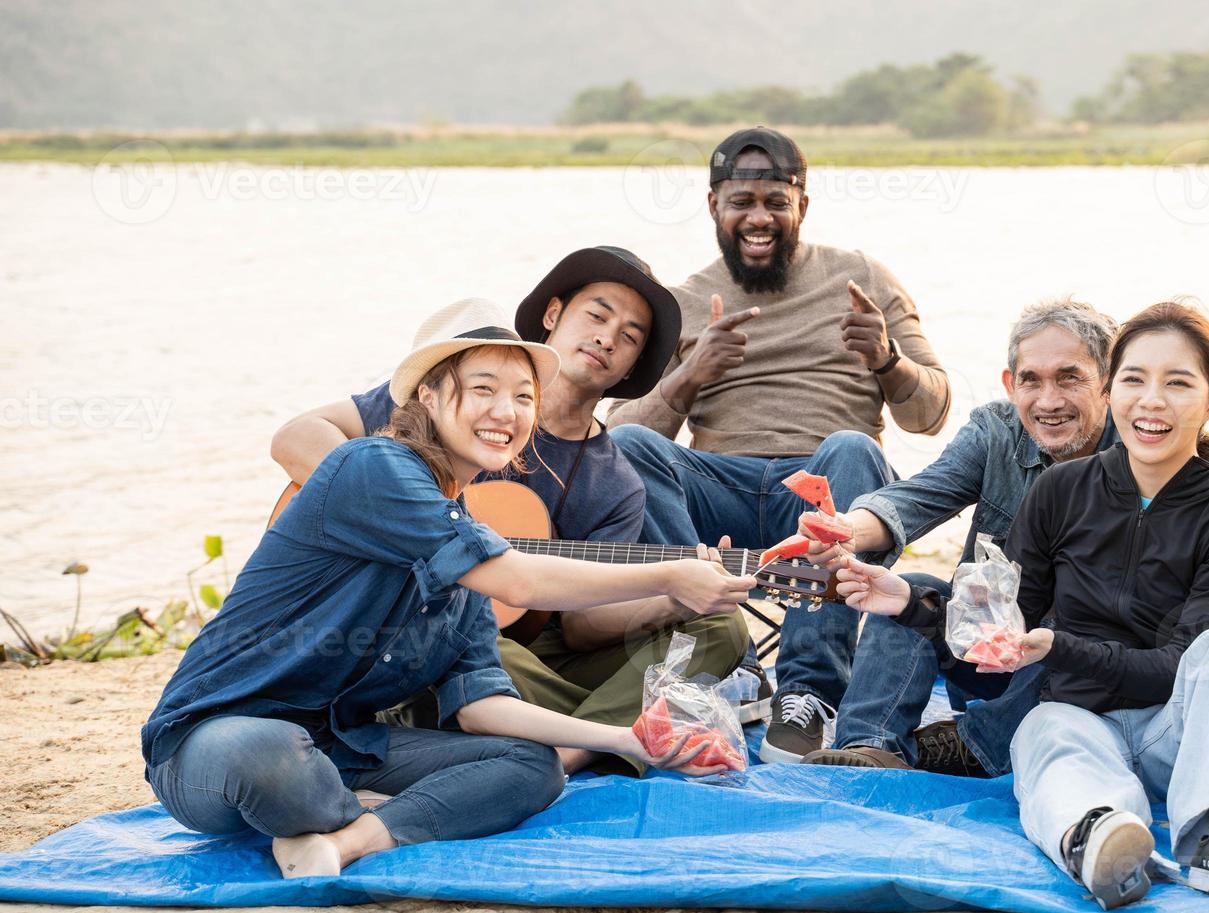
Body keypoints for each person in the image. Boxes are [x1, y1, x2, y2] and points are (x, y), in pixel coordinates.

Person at [144, 301, 756, 881]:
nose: (506, 412)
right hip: (213, 742)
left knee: (533, 766)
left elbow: (481, 706)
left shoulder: (466, 555)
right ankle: (369, 808)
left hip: (343, 747)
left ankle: (347, 839)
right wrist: (670, 574)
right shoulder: (371, 466)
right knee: (267, 751)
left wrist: (630, 740)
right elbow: (517, 578)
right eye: (483, 389)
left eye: (523, 398)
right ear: (428, 397)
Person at [832, 302, 1209, 909]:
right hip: (1077, 722)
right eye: (1135, 379)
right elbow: (1001, 637)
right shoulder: (1059, 490)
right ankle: (1095, 834)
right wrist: (911, 604)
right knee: (1044, 725)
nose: (1151, 401)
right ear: (1114, 388)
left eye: (1177, 383)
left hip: (1175, 731)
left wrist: (1061, 647)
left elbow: (1178, 665)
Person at [270, 250, 753, 775]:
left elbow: (582, 629)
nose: (608, 338)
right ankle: (582, 734)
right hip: (430, 622)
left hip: (528, 645)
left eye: (630, 336)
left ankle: (563, 751)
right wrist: (411, 509)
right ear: (552, 316)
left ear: (633, 364)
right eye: (597, 315)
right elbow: (295, 436)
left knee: (721, 631)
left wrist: (674, 599)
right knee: (464, 640)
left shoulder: (615, 481)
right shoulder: (451, 394)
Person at [607, 127, 951, 761]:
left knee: (852, 446)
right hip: (720, 494)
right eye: (742, 202)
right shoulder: (681, 301)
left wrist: (886, 359)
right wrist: (688, 375)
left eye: (775, 200)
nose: (758, 217)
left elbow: (931, 413)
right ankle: (723, 656)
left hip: (826, 492)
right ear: (714, 206)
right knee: (629, 440)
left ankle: (809, 692)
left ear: (802, 205)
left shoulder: (864, 277)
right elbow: (612, 439)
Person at [792, 299, 1120, 770]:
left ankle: (969, 746)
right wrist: (847, 530)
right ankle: (869, 745)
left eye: (1070, 378)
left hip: (1071, 670)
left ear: (1108, 383)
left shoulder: (1137, 451)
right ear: (1010, 385)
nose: (1048, 401)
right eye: (1031, 380)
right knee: (908, 593)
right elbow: (918, 497)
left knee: (1071, 626)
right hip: (985, 655)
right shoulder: (996, 430)